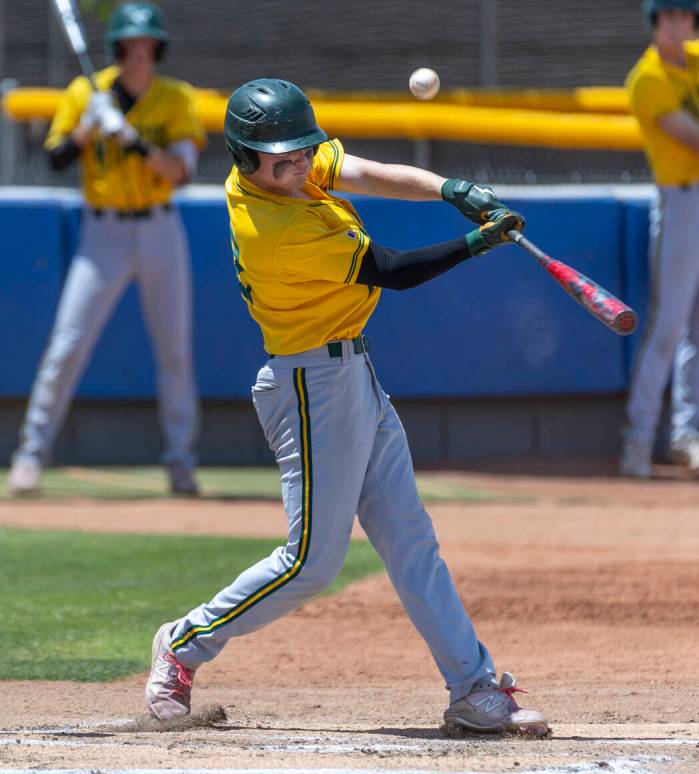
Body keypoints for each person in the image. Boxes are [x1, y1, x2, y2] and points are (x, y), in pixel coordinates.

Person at [145, 79, 548, 736]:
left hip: (353, 372)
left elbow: (362, 169)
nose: (300, 164)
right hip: (308, 387)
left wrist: (448, 189)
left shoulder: (286, 172)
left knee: (411, 541)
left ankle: (473, 688)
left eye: (302, 151)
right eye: (282, 158)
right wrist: (477, 242)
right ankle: (183, 645)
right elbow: (392, 269)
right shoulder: (273, 226)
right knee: (310, 563)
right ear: (246, 159)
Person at [6, 2, 205, 496]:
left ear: (158, 48)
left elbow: (180, 172)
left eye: (147, 46)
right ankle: (30, 455)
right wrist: (89, 127)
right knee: (67, 344)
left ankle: (181, 463)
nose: (139, 55)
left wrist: (133, 141)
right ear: (117, 49)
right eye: (130, 47)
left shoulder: (176, 98)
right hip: (103, 235)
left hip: (160, 229)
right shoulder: (84, 94)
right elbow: (55, 159)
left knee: (175, 351)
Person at [621, 0, 699, 478]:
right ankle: (637, 444)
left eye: (684, 15)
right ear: (655, 21)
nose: (676, 24)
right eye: (667, 15)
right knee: (669, 327)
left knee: (698, 331)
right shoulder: (646, 77)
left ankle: (685, 437)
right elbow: (690, 136)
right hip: (681, 202)